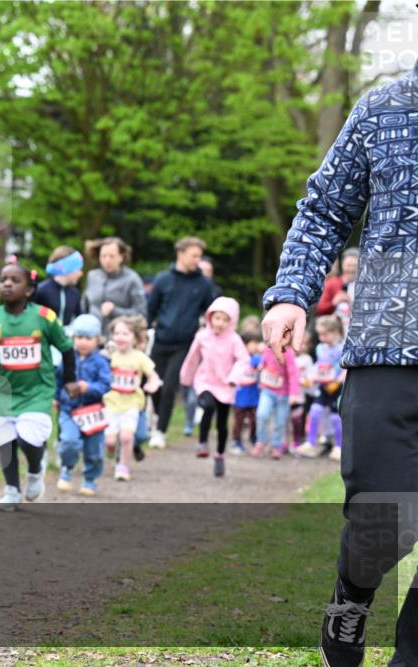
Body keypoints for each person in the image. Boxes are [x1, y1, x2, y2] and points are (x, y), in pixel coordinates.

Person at [261, 60, 417, 667]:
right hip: (389, 344)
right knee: (386, 515)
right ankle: (352, 593)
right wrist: (292, 293)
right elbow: (324, 209)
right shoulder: (383, 110)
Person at [0, 260, 80, 511]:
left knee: (28, 439)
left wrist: (70, 380)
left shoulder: (44, 317)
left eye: (15, 280)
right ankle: (11, 490)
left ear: (30, 290)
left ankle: (35, 470)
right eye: (4, 280)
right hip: (5, 391)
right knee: (4, 441)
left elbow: (66, 348)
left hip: (37, 390)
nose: (8, 284)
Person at [146, 236, 216, 448]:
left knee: (169, 388)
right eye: (194, 255)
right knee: (153, 385)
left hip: (185, 344)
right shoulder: (163, 279)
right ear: (181, 253)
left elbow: (210, 311)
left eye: (199, 256)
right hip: (160, 340)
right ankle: (157, 418)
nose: (197, 260)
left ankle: (160, 431)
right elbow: (151, 309)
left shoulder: (203, 283)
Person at [178, 296, 250, 477]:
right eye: (217, 318)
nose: (220, 323)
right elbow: (192, 358)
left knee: (222, 424)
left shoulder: (234, 340)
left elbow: (243, 360)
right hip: (205, 381)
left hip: (225, 384)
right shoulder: (202, 336)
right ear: (210, 317)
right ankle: (202, 442)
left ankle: (219, 455)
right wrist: (186, 379)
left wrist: (234, 377)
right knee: (208, 406)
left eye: (226, 320)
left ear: (232, 321)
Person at [54, 314, 112, 496]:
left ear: (98, 339)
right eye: (79, 337)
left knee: (93, 450)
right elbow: (58, 379)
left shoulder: (102, 362)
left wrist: (89, 387)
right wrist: (56, 397)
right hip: (69, 409)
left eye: (88, 338)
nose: (83, 342)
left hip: (92, 412)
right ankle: (67, 468)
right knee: (68, 442)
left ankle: (90, 479)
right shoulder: (67, 359)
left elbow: (106, 384)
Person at [102, 315, 161, 482]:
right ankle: (113, 453)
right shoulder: (108, 355)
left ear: (135, 338)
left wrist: (152, 384)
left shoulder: (139, 357)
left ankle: (123, 466)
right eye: (117, 333)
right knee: (111, 441)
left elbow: (153, 375)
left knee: (127, 437)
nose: (120, 337)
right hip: (110, 404)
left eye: (125, 334)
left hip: (131, 404)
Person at [294, 316, 347, 461]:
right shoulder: (320, 348)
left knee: (335, 417)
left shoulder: (342, 348)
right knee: (315, 411)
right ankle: (310, 443)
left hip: (336, 388)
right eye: (320, 334)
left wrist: (337, 381)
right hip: (323, 387)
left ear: (336, 332)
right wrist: (310, 378)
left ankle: (338, 447)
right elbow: (319, 365)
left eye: (325, 334)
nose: (322, 338)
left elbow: (346, 368)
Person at [82, 236, 147, 335]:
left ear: (121, 257)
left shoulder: (132, 279)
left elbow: (141, 313)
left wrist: (115, 311)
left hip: (118, 340)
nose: (107, 260)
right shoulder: (92, 276)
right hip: (92, 338)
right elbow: (84, 307)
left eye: (112, 256)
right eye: (103, 256)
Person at [250, 343, 299, 459]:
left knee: (280, 422)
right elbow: (265, 360)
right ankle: (261, 441)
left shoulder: (288, 353)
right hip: (267, 390)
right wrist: (262, 365)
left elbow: (293, 374)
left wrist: (294, 393)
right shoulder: (268, 348)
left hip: (284, 394)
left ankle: (276, 446)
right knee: (262, 414)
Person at [230, 331, 263, 455]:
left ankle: (254, 438)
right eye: (253, 343)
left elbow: (260, 364)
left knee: (254, 419)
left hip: (253, 395)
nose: (256, 345)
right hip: (240, 395)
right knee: (238, 420)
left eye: (257, 342)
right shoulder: (238, 359)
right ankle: (236, 441)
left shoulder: (257, 357)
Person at [35, 246, 84, 327]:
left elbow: (79, 319)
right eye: (78, 269)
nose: (81, 273)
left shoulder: (75, 293)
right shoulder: (41, 290)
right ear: (67, 268)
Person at [315, 248, 359, 317]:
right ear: (342, 265)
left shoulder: (366, 286)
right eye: (349, 265)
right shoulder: (332, 284)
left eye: (354, 266)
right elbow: (319, 309)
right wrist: (333, 302)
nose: (351, 269)